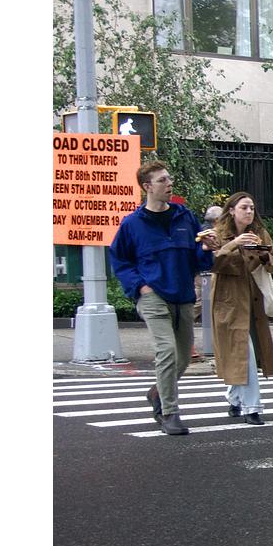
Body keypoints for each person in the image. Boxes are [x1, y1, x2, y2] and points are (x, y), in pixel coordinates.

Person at [108, 160, 216, 435]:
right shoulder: (132, 224)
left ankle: (157, 391)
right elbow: (120, 260)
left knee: (183, 358)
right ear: (147, 186)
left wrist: (207, 249)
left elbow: (199, 259)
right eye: (163, 180)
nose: (170, 184)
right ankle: (169, 413)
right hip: (153, 296)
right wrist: (140, 287)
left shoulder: (184, 217)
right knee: (166, 351)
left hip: (183, 295)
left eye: (169, 179)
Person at [207, 191, 273, 426]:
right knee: (243, 353)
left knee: (243, 354)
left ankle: (234, 397)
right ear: (231, 211)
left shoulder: (259, 233)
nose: (249, 212)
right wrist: (234, 244)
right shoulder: (218, 234)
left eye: (252, 208)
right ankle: (252, 407)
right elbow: (212, 262)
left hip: (254, 301)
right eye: (244, 208)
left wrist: (264, 255)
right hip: (228, 301)